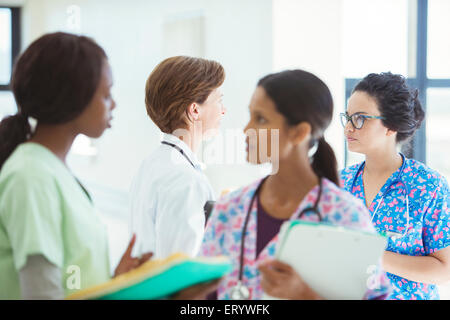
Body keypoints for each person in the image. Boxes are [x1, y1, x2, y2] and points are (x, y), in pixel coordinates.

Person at [0, 32, 218, 300]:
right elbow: (42, 293)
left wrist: (115, 280)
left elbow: (71, 280)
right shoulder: (31, 175)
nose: (113, 104)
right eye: (105, 95)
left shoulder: (54, 171)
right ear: (74, 98)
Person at [200, 69, 391, 300]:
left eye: (260, 119)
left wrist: (304, 295)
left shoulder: (344, 216)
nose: (246, 129)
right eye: (250, 116)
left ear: (299, 132)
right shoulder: (229, 210)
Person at [340, 72, 450, 300]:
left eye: (359, 119)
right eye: (347, 117)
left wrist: (373, 255)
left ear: (391, 126)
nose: (348, 128)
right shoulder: (340, 183)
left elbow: (444, 270)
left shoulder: (428, 186)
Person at [129, 56, 226, 259]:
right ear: (195, 110)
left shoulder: (153, 163)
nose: (223, 111)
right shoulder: (187, 180)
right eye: (219, 101)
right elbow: (182, 265)